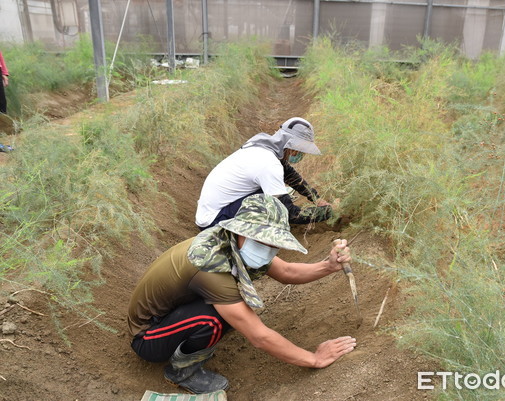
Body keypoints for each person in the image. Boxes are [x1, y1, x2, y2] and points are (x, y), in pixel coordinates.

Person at [128, 194, 356, 394]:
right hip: (149, 336)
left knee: (231, 308)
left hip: (175, 312)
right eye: (260, 241)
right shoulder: (209, 264)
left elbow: (286, 271)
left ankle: (191, 340)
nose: (266, 249)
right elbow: (259, 336)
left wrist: (329, 266)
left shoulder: (232, 241)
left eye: (272, 244)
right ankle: (181, 373)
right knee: (216, 318)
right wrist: (314, 359)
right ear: (241, 230)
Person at [195, 117, 333, 229]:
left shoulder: (263, 148)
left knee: (273, 195)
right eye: (301, 150)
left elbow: (289, 174)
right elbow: (288, 214)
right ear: (294, 148)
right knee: (273, 204)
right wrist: (328, 212)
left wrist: (316, 198)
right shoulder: (268, 164)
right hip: (215, 223)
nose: (300, 154)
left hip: (212, 212)